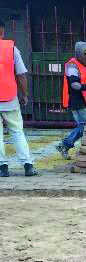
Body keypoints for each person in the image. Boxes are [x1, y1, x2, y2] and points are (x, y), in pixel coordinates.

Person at [0, 18, 37, 177]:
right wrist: (25, 94)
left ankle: (2, 167)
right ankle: (27, 165)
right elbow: (21, 75)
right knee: (17, 132)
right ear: (2, 31)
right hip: (9, 98)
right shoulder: (12, 49)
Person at [56, 41, 86, 159]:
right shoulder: (72, 65)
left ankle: (77, 149)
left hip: (82, 101)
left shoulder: (82, 66)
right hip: (76, 102)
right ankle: (65, 145)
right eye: (85, 54)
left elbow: (83, 83)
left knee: (84, 126)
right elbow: (75, 85)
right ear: (79, 54)